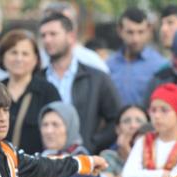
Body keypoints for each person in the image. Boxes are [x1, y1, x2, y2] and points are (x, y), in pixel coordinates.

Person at [40, 13, 120, 154]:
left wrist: (92, 143)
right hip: (45, 163)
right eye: (43, 35)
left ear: (71, 37)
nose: (47, 40)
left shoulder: (96, 78)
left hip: (83, 160)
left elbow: (116, 119)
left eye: (53, 34)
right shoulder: (38, 79)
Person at [0, 29, 60, 155]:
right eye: (13, 52)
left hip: (35, 168)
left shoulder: (47, 91)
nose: (19, 58)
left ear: (35, 59)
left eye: (25, 54)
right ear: (3, 56)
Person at [107, 8, 166, 106]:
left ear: (148, 31)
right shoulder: (108, 65)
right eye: (130, 32)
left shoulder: (160, 66)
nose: (136, 39)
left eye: (140, 32)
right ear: (120, 31)